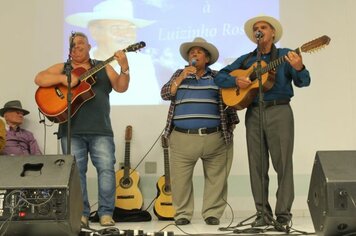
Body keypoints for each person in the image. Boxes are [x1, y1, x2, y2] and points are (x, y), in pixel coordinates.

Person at [214, 16, 311, 230]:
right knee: (257, 166)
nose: (259, 30)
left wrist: (300, 66)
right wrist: (236, 80)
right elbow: (219, 76)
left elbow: (304, 82)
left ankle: (283, 215)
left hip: (280, 110)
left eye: (263, 27)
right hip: (254, 112)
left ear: (273, 33)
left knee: (283, 164)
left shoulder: (286, 55)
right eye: (256, 29)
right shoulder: (246, 59)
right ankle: (262, 214)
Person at [34, 32, 130, 227]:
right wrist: (64, 78)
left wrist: (125, 68)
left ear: (88, 46)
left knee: (106, 171)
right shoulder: (64, 68)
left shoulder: (103, 66)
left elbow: (121, 87)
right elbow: (40, 78)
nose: (77, 47)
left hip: (101, 129)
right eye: (73, 45)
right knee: (76, 174)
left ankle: (105, 213)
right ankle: (82, 213)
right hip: (71, 130)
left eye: (81, 44)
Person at [161, 37, 239, 225]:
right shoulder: (178, 75)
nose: (194, 54)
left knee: (217, 179)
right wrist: (180, 78)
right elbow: (165, 93)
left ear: (207, 58)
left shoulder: (218, 77)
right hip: (182, 138)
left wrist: (229, 127)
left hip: (215, 137)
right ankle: (182, 214)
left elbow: (231, 103)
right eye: (191, 52)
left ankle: (212, 213)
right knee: (180, 180)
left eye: (199, 52)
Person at [65, 0, 161, 105]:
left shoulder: (143, 63)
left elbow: (151, 101)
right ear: (95, 31)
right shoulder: (78, 61)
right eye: (116, 28)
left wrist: (125, 68)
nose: (125, 34)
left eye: (131, 28)